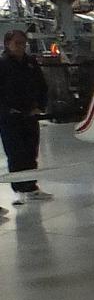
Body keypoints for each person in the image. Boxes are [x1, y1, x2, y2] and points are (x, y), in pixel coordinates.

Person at [0, 29, 51, 200]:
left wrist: (40, 106)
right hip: (10, 118)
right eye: (17, 43)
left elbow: (42, 86)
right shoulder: (2, 64)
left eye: (23, 43)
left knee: (31, 151)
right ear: (8, 44)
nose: (21, 46)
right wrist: (7, 109)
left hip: (30, 115)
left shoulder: (30, 63)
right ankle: (19, 187)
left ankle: (30, 186)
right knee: (16, 153)